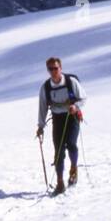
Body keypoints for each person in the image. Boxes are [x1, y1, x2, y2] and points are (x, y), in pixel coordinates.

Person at [37, 56, 85, 194]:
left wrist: (75, 106)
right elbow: (42, 107)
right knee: (58, 151)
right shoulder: (45, 87)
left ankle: (74, 168)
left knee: (71, 144)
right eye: (50, 69)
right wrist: (40, 126)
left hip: (72, 116)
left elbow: (83, 97)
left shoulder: (71, 82)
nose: (53, 71)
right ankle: (60, 182)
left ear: (61, 68)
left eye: (55, 68)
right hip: (57, 119)